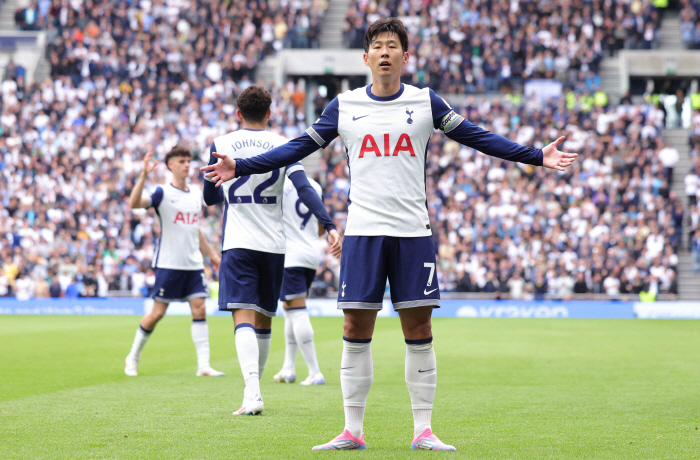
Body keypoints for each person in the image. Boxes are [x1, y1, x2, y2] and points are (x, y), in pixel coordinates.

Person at [202, 18, 577, 451]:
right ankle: (351, 431)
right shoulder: (343, 106)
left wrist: (535, 156)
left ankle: (423, 430)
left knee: (418, 326)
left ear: (405, 56)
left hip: (412, 231)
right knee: (353, 324)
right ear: (365, 58)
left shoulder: (426, 103)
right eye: (377, 45)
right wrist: (241, 165)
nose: (384, 52)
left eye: (392, 45)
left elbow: (477, 137)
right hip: (362, 232)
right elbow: (297, 148)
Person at [201, 85, 341, 416]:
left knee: (243, 318)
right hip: (276, 246)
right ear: (270, 113)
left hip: (238, 242)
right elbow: (304, 188)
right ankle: (256, 390)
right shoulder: (284, 144)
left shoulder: (222, 144)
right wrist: (330, 225)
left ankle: (253, 393)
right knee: (264, 321)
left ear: (238, 113)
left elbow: (209, 196)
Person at [124, 146, 224, 378]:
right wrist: (143, 175)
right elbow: (134, 203)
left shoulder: (196, 193)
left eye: (188, 161)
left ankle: (203, 365)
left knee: (199, 309)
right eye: (181, 161)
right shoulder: (162, 193)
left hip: (193, 263)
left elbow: (194, 229)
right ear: (170, 165)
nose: (187, 165)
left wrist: (211, 255)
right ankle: (133, 357)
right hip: (169, 263)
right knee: (157, 313)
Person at [273, 177, 328, 386]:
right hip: (311, 252)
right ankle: (288, 368)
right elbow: (321, 224)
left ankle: (315, 372)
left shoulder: (279, 185)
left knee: (296, 310)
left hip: (290, 254)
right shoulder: (314, 185)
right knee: (289, 309)